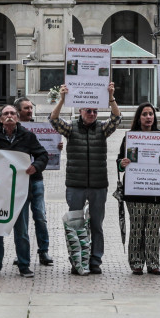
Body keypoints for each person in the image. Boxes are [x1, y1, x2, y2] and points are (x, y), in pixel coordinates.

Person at [48, 82, 122, 275]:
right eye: (88, 110)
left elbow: (116, 118)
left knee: (97, 225)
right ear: (80, 110)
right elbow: (53, 120)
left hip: (98, 185)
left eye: (95, 111)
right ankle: (77, 259)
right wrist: (63, 99)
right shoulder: (71, 128)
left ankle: (95, 260)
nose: (92, 114)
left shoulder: (102, 129)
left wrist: (111, 96)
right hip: (76, 185)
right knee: (75, 224)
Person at [0, 105, 49, 278]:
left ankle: (24, 266)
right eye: (6, 114)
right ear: (1, 118)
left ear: (17, 117)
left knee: (22, 232)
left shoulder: (28, 136)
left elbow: (43, 155)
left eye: (12, 113)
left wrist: (36, 167)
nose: (9, 116)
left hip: (20, 192)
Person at [117, 102, 160, 275]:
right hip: (135, 191)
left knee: (152, 229)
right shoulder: (130, 138)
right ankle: (136, 263)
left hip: (157, 192)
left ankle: (153, 263)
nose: (148, 117)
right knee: (136, 228)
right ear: (139, 117)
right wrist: (122, 164)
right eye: (145, 114)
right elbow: (120, 163)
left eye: (151, 114)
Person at [15, 96, 58, 266]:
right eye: (26, 108)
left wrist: (57, 147)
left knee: (40, 216)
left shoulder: (38, 129)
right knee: (22, 219)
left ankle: (43, 251)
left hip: (36, 179)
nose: (29, 111)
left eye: (31, 108)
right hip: (19, 180)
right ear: (18, 111)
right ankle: (22, 253)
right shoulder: (11, 130)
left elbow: (44, 152)